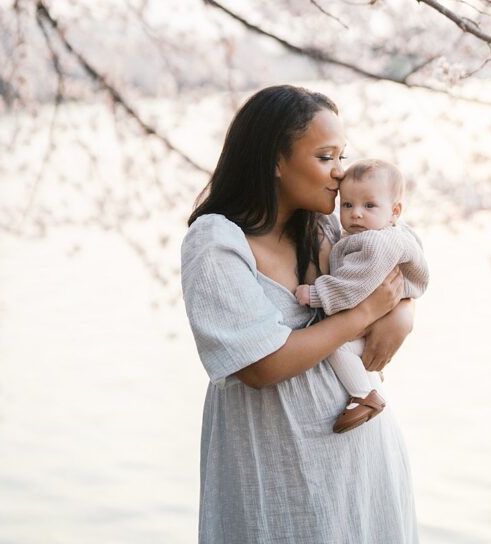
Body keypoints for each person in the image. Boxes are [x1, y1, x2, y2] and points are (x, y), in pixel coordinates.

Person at [181, 85, 419, 544]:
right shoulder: (216, 242)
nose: (340, 172)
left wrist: (403, 313)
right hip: (279, 468)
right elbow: (261, 366)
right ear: (275, 160)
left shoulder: (332, 225)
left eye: (341, 155)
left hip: (364, 463)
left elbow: (403, 256)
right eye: (325, 157)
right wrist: (362, 314)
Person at [295, 158, 429, 433]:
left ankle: (364, 396)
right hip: (378, 313)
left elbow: (353, 284)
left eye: (369, 206)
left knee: (336, 345)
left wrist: (317, 293)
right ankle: (368, 381)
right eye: (347, 205)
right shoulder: (388, 232)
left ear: (394, 211)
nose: (356, 213)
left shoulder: (375, 243)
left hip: (373, 316)